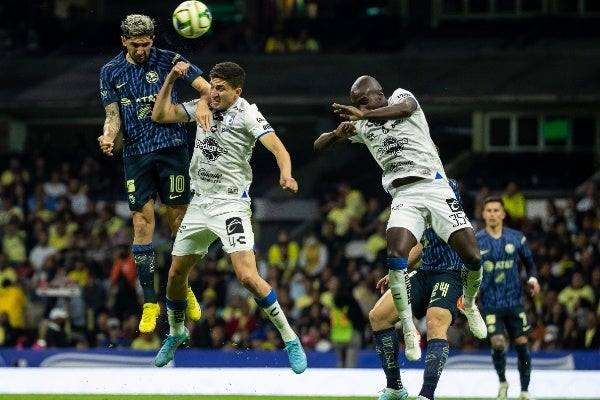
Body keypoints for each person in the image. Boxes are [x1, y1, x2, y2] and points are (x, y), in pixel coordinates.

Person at [314, 75, 487, 361]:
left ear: (379, 94)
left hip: (433, 185)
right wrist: (338, 134)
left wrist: (364, 114)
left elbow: (405, 109)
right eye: (357, 103)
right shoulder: (364, 123)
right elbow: (319, 145)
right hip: (403, 194)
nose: (359, 106)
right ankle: (408, 329)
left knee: (474, 258)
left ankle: (468, 303)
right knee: (395, 254)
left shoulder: (400, 98)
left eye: (364, 100)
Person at [150, 61, 307, 373]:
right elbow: (160, 115)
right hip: (199, 204)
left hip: (230, 205)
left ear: (238, 91)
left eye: (221, 88)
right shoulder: (201, 105)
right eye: (212, 84)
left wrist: (286, 175)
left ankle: (290, 338)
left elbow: (279, 149)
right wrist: (170, 78)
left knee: (247, 276)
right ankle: (177, 332)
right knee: (175, 274)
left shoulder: (248, 113)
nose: (214, 92)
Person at [97, 14, 208, 333]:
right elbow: (112, 116)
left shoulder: (170, 60)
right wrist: (107, 135)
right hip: (135, 154)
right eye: (136, 45)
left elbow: (207, 89)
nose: (143, 50)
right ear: (124, 42)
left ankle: (183, 287)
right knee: (142, 222)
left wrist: (202, 101)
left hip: (171, 148)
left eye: (146, 44)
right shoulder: (110, 72)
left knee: (179, 222)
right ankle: (149, 302)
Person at [369, 178, 470, 400]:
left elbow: (451, 230)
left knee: (435, 322)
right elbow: (421, 244)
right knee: (378, 316)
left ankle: (426, 395)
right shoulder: (408, 190)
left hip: (449, 272)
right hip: (424, 272)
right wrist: (397, 271)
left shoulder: (447, 185)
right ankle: (395, 388)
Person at [476, 196, 541, 400]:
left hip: (514, 302)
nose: (493, 214)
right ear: (483, 214)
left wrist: (532, 278)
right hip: (490, 302)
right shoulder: (477, 240)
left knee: (522, 344)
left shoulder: (516, 238)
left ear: (503, 214)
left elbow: (530, 263)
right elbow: (468, 268)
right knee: (497, 342)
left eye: (496, 210)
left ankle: (524, 390)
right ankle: (503, 382)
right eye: (489, 210)